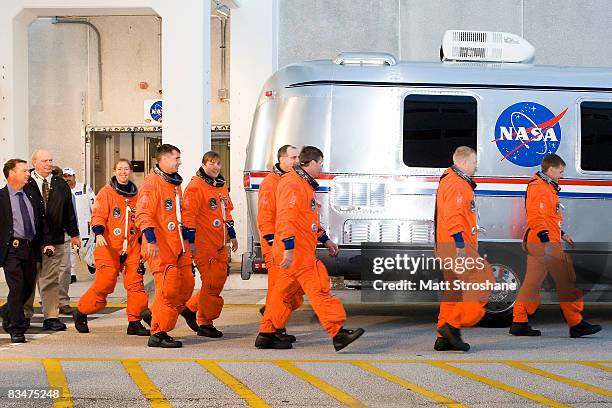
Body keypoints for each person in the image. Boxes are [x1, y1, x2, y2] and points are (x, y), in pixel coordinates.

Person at [256, 146, 364, 351]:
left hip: (298, 249)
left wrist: (325, 240)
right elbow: (286, 218)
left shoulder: (303, 185)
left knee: (283, 294)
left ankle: (266, 333)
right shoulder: (293, 184)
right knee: (319, 288)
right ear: (312, 163)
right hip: (296, 251)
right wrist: (288, 248)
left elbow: (308, 220)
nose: (322, 168)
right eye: (321, 164)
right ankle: (337, 332)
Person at [510, 154, 602, 338]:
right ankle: (576, 324)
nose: (562, 175)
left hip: (543, 241)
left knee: (532, 283)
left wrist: (562, 234)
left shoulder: (545, 187)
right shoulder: (540, 187)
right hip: (545, 244)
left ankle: (519, 322)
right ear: (551, 170)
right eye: (560, 171)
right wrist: (548, 242)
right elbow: (536, 218)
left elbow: (548, 218)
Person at [73, 159, 149, 336]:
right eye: (120, 169)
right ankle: (82, 311)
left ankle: (135, 322)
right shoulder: (106, 193)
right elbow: (98, 216)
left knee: (136, 285)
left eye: (126, 169)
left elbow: (142, 219)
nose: (123, 172)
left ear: (130, 172)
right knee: (105, 283)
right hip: (107, 245)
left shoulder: (137, 196)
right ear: (114, 171)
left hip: (131, 246)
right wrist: (98, 234)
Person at [434, 146, 494, 352]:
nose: (477, 165)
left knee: (454, 292)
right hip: (456, 247)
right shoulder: (456, 184)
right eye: (475, 161)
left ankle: (443, 338)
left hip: (449, 245)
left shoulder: (451, 180)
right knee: (484, 281)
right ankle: (452, 326)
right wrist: (460, 245)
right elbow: (453, 217)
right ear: (465, 162)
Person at [136, 144, 194, 348]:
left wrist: (188, 239)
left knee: (187, 285)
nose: (179, 161)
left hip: (178, 245)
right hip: (160, 246)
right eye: (176, 158)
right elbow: (143, 214)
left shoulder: (174, 184)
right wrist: (150, 240)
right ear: (163, 160)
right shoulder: (152, 184)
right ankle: (158, 332)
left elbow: (179, 214)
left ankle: (154, 314)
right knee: (168, 289)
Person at [181, 151, 238, 338]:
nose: (215, 167)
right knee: (212, 283)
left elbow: (226, 214)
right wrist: (190, 242)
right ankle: (205, 322)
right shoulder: (195, 187)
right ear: (203, 165)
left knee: (218, 281)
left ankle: (190, 308)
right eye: (211, 163)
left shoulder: (220, 186)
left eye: (218, 163)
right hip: (203, 244)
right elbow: (188, 216)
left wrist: (233, 235)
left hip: (219, 244)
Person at [24, 150, 80, 331]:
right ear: (35, 162)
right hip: (30, 240)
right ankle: (24, 315)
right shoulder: (26, 183)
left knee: (50, 279)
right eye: (44, 161)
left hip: (54, 239)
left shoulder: (59, 184)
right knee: (28, 279)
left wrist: (74, 234)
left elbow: (68, 210)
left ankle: (51, 316)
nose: (48, 164)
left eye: (50, 160)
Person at [256, 145, 303, 342]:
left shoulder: (291, 181)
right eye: (292, 157)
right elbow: (265, 217)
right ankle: (268, 331)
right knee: (278, 290)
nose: (296, 161)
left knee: (293, 292)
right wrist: (274, 244)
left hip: (287, 245)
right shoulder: (271, 183)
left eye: (297, 157)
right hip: (276, 247)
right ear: (281, 159)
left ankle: (275, 321)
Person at [0, 159, 50, 343]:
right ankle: (16, 329)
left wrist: (47, 242)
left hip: (30, 249)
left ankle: (7, 312)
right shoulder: (2, 198)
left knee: (28, 288)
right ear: (11, 174)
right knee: (17, 287)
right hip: (11, 250)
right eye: (23, 171)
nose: (28, 173)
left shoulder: (30, 194)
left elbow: (40, 220)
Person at [57, 167, 95, 314]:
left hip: (84, 227)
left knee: (86, 250)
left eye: (69, 176)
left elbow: (94, 205)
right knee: (71, 253)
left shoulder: (84, 188)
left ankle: (91, 263)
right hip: (70, 228)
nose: (67, 178)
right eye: (65, 176)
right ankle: (72, 273)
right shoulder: (61, 191)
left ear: (74, 176)